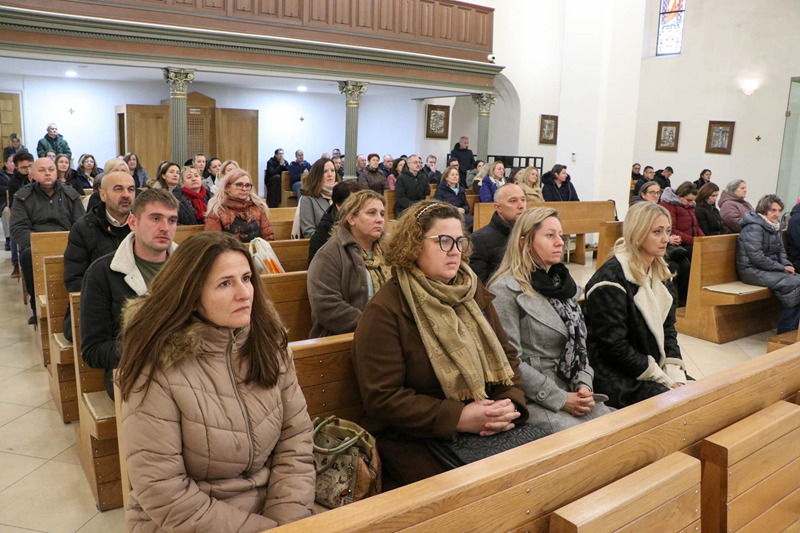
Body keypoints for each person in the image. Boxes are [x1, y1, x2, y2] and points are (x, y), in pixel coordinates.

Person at [117, 231, 314, 531]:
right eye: (225, 283)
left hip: (275, 507)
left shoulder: (269, 344)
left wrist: (288, 523)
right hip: (185, 521)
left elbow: (295, 441)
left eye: (246, 278)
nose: (244, 293)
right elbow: (163, 490)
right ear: (192, 295)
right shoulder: (158, 364)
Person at [353, 200, 537, 487]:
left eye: (459, 241)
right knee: (486, 491)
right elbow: (383, 398)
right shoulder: (385, 310)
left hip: (482, 423)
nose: (454, 251)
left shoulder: (471, 291)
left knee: (544, 470)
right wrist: (458, 417)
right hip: (413, 437)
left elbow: (507, 355)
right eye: (443, 241)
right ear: (414, 245)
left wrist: (508, 402)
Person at [489, 207, 613, 433]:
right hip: (537, 397)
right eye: (550, 235)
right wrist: (561, 399)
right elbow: (509, 361)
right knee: (587, 438)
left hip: (573, 389)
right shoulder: (505, 290)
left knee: (620, 429)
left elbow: (580, 344)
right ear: (525, 242)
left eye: (560, 235)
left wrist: (584, 385)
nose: (560, 242)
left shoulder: (563, 285)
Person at [584, 202, 687, 408]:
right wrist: (661, 378)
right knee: (673, 404)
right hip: (613, 373)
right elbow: (614, 347)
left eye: (667, 231)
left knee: (696, 393)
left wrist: (674, 373)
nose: (665, 239)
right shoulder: (610, 280)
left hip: (647, 366)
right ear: (637, 233)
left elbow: (668, 330)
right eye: (657, 232)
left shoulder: (661, 274)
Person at [81, 188, 179, 399]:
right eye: (156, 218)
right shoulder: (102, 273)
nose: (165, 228)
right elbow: (93, 350)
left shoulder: (191, 267)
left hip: (188, 364)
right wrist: (148, 348)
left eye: (172, 220)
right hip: (133, 372)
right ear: (133, 223)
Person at [62, 171, 135, 341]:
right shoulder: (84, 228)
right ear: (103, 195)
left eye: (131, 189)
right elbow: (74, 279)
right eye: (118, 189)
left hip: (137, 303)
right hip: (97, 304)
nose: (126, 195)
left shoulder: (143, 225)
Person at [11, 157, 85, 323]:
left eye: (51, 170)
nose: (47, 173)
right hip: (36, 245)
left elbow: (81, 224)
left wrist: (69, 242)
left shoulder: (71, 194)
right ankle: (36, 307)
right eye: (42, 170)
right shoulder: (22, 197)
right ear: (32, 175)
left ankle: (76, 305)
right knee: (27, 255)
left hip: (68, 242)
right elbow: (18, 228)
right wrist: (41, 244)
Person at [308, 190, 391, 337]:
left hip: (389, 330)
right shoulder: (329, 254)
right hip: (344, 337)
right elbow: (326, 307)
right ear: (351, 218)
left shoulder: (389, 250)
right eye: (371, 213)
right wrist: (375, 325)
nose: (380, 220)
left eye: (382, 214)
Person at [737, 195, 800, 334]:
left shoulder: (774, 226)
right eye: (773, 210)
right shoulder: (753, 227)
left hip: (769, 269)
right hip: (751, 270)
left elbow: (781, 252)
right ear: (764, 210)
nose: (777, 214)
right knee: (795, 285)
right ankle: (786, 330)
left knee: (797, 281)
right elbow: (756, 257)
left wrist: (787, 264)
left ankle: (793, 329)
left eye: (779, 210)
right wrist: (781, 268)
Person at [470, 184, 526, 283]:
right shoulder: (478, 240)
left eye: (523, 200)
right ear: (498, 207)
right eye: (513, 201)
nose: (521, 206)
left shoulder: (530, 233)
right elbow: (479, 286)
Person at [205, 169, 274, 243]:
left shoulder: (257, 207)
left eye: (247, 185)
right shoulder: (217, 210)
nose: (244, 189)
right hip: (228, 250)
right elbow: (213, 242)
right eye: (239, 185)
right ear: (228, 187)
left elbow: (268, 237)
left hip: (257, 249)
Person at [308, 180, 361, 263]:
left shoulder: (364, 224)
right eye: (353, 204)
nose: (357, 208)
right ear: (338, 206)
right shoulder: (325, 229)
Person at [659, 182, 704, 258]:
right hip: (679, 244)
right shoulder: (669, 205)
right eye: (688, 200)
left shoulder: (690, 206)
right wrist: (693, 240)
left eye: (692, 201)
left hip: (691, 242)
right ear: (679, 196)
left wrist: (704, 239)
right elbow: (672, 229)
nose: (690, 203)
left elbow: (696, 226)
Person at [8, 151, 34, 277]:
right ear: (17, 168)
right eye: (23, 167)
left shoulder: (40, 177)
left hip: (39, 213)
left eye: (30, 166)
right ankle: (16, 263)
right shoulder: (14, 182)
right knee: (17, 228)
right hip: (23, 214)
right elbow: (15, 205)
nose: (27, 170)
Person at [299, 158, 339, 238]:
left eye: (332, 170)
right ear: (317, 175)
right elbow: (308, 232)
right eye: (325, 171)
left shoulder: (341, 194)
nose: (330, 174)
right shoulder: (307, 198)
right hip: (322, 243)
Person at [434, 166, 473, 231]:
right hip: (447, 215)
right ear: (446, 177)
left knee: (475, 220)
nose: (455, 176)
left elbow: (466, 206)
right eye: (452, 175)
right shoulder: (440, 190)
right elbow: (438, 206)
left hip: (461, 215)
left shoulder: (461, 190)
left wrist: (464, 209)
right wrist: (454, 210)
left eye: (457, 175)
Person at [0, 154, 12, 250]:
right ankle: (8, 239)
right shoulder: (1, 175)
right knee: (6, 211)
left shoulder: (20, 175)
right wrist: (9, 189)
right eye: (11, 161)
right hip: (4, 201)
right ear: (6, 163)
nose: (13, 164)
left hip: (19, 201)